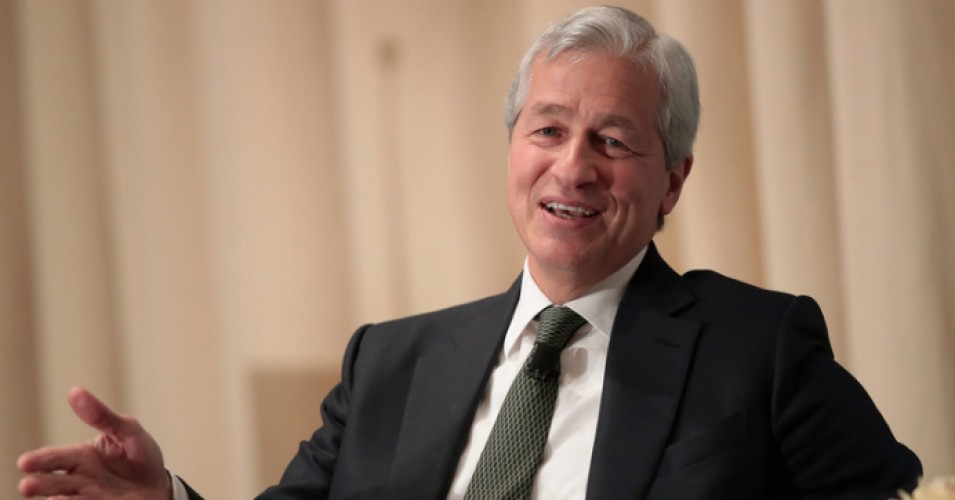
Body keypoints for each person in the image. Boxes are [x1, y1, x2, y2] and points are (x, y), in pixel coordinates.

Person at [18, 6, 921, 500]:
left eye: (613, 140)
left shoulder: (753, 348)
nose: (573, 165)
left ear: (671, 184)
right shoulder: (391, 362)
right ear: (511, 149)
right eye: (549, 128)